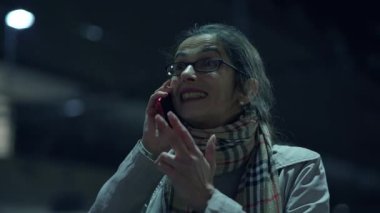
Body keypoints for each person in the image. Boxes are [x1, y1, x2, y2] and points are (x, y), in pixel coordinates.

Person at [89, 23, 330, 213]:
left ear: (246, 90)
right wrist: (148, 150)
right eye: (180, 66)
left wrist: (207, 199)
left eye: (208, 62)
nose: (187, 74)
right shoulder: (162, 168)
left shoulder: (298, 169)